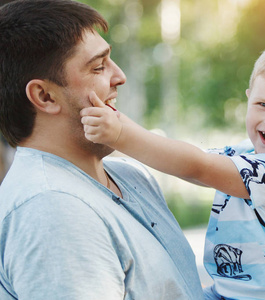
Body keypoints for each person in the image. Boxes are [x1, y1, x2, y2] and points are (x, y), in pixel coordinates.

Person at [81, 40, 265, 299]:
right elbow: (189, 162)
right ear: (249, 98)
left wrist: (120, 134)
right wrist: (115, 128)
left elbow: (198, 167)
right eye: (263, 105)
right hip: (228, 292)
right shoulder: (245, 154)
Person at [0, 0, 204, 299]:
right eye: (98, 66)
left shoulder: (130, 175)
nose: (119, 76)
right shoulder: (53, 210)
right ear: (44, 96)